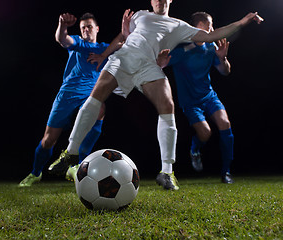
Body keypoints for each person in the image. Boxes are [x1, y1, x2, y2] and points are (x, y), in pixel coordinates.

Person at [49, 0, 263, 190]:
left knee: (167, 105)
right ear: (151, 2)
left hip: (149, 65)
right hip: (124, 57)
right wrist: (106, 53)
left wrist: (243, 21)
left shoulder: (179, 26)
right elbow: (124, 36)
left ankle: (167, 172)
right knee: (96, 95)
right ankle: (71, 153)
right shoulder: (141, 15)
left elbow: (213, 35)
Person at [18, 12, 111, 187]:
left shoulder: (105, 49)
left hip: (90, 95)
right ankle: (35, 173)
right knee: (48, 140)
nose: (86, 30)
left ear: (97, 29)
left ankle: (76, 165)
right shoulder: (78, 43)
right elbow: (63, 39)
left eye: (89, 27)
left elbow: (123, 45)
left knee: (100, 109)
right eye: (83, 27)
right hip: (66, 95)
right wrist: (63, 25)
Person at [157, 12, 235, 183]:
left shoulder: (211, 47)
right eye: (209, 26)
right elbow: (159, 65)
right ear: (197, 27)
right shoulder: (181, 49)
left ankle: (226, 172)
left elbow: (225, 71)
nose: (212, 30)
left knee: (225, 123)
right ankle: (195, 149)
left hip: (209, 96)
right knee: (205, 133)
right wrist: (160, 64)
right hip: (190, 103)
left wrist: (223, 58)